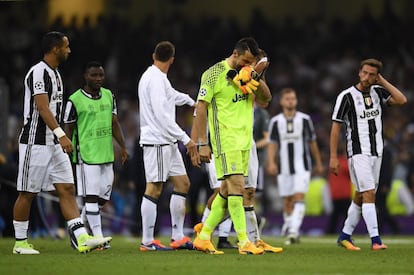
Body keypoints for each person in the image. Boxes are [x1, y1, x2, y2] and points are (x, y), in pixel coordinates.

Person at [12, 31, 111, 254]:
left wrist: (58, 138)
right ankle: (19, 243)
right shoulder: (38, 72)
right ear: (55, 49)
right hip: (35, 142)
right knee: (27, 192)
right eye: (66, 46)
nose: (69, 50)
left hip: (53, 143)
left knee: (67, 188)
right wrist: (62, 134)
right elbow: (43, 108)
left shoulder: (56, 73)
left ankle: (83, 238)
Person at [191, 37, 272, 255]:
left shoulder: (248, 74)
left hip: (245, 141)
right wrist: (202, 144)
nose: (247, 64)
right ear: (235, 54)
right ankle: (244, 241)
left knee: (227, 192)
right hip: (225, 140)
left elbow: (266, 98)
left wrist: (256, 75)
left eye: (251, 62)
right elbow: (201, 109)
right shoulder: (214, 73)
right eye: (245, 60)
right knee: (237, 188)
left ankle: (204, 236)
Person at [330, 58, 407, 251]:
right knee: (369, 193)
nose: (366, 77)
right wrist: (332, 156)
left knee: (361, 195)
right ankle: (376, 240)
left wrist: (383, 81)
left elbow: (401, 99)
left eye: (371, 74)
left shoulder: (378, 92)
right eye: (364, 72)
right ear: (359, 72)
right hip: (358, 152)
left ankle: (345, 235)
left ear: (376, 77)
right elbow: (335, 126)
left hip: (377, 151)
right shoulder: (346, 96)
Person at [137, 41, 197, 251]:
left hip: (167, 142)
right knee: (154, 188)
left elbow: (172, 95)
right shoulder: (153, 79)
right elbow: (163, 116)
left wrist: (192, 102)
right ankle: (147, 241)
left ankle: (178, 236)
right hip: (157, 141)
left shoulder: (159, 78)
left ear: (154, 55)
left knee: (183, 184)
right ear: (172, 59)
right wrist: (186, 138)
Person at [64, 61, 128, 249]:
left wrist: (123, 147)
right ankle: (99, 239)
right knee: (90, 197)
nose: (98, 79)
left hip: (106, 155)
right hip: (86, 155)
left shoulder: (109, 96)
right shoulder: (75, 100)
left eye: (101, 75)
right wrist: (67, 151)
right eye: (94, 75)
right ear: (85, 76)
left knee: (102, 199)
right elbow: (69, 127)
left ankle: (77, 228)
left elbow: (114, 123)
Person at [267, 87, 324, 245]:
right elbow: (272, 144)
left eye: (293, 98)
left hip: (302, 165)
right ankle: (293, 230)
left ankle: (292, 231)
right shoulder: (275, 121)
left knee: (298, 197)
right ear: (282, 101)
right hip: (283, 166)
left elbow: (312, 141)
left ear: (296, 101)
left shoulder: (305, 119)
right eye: (287, 99)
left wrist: (318, 162)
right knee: (287, 200)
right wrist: (271, 162)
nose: (290, 101)